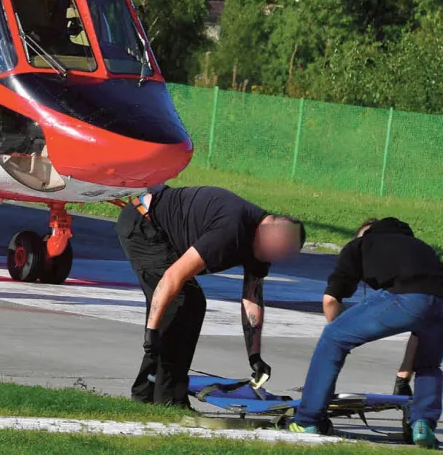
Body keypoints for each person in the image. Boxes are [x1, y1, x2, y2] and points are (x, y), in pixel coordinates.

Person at [115, 184, 305, 408]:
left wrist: (254, 356)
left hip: (160, 232)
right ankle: (168, 400)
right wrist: (151, 331)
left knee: (182, 308)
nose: (275, 256)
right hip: (143, 224)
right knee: (185, 304)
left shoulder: (261, 245)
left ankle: (146, 394)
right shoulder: (230, 229)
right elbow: (172, 277)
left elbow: (252, 298)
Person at [289, 218, 443, 446]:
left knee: (332, 339)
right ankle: (423, 424)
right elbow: (422, 318)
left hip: (405, 297)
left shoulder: (361, 244)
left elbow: (331, 299)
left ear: (365, 233)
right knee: (429, 365)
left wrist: (341, 334)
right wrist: (404, 375)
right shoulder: (421, 248)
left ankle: (306, 420)